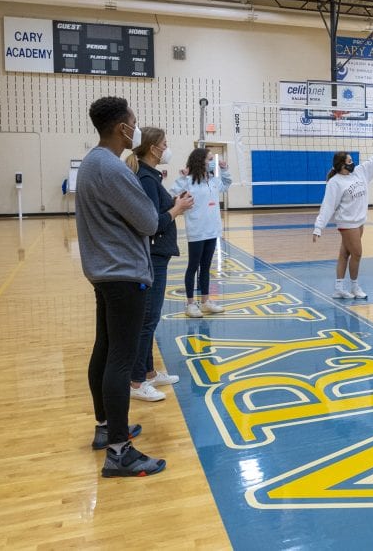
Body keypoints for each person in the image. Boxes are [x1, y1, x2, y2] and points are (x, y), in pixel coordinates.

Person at [77, 96, 166, 477]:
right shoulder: (112, 168)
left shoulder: (90, 163)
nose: (136, 126)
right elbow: (149, 220)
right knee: (119, 360)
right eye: (133, 121)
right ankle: (119, 451)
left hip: (105, 272)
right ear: (121, 128)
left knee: (105, 351)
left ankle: (105, 429)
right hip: (123, 275)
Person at [125, 127, 193, 402]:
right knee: (148, 319)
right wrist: (177, 209)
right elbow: (152, 223)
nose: (167, 148)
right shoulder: (146, 177)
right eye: (165, 143)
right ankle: (136, 381)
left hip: (158, 256)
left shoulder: (151, 176)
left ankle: (149, 373)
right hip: (153, 257)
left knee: (150, 319)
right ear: (153, 148)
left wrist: (176, 203)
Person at [313, 147, 373, 297]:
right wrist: (318, 227)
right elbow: (328, 205)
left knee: (345, 254)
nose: (353, 163)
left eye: (352, 160)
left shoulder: (359, 172)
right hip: (347, 223)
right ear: (341, 165)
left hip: (359, 222)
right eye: (349, 161)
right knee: (357, 254)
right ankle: (355, 287)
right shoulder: (335, 182)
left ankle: (339, 287)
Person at [174, 148, 233, 317]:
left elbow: (226, 184)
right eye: (209, 159)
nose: (212, 161)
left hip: (212, 230)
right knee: (193, 266)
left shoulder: (213, 180)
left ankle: (206, 301)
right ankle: (191, 304)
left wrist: (224, 169)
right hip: (196, 230)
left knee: (206, 267)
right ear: (200, 161)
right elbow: (172, 193)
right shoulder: (188, 180)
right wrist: (182, 177)